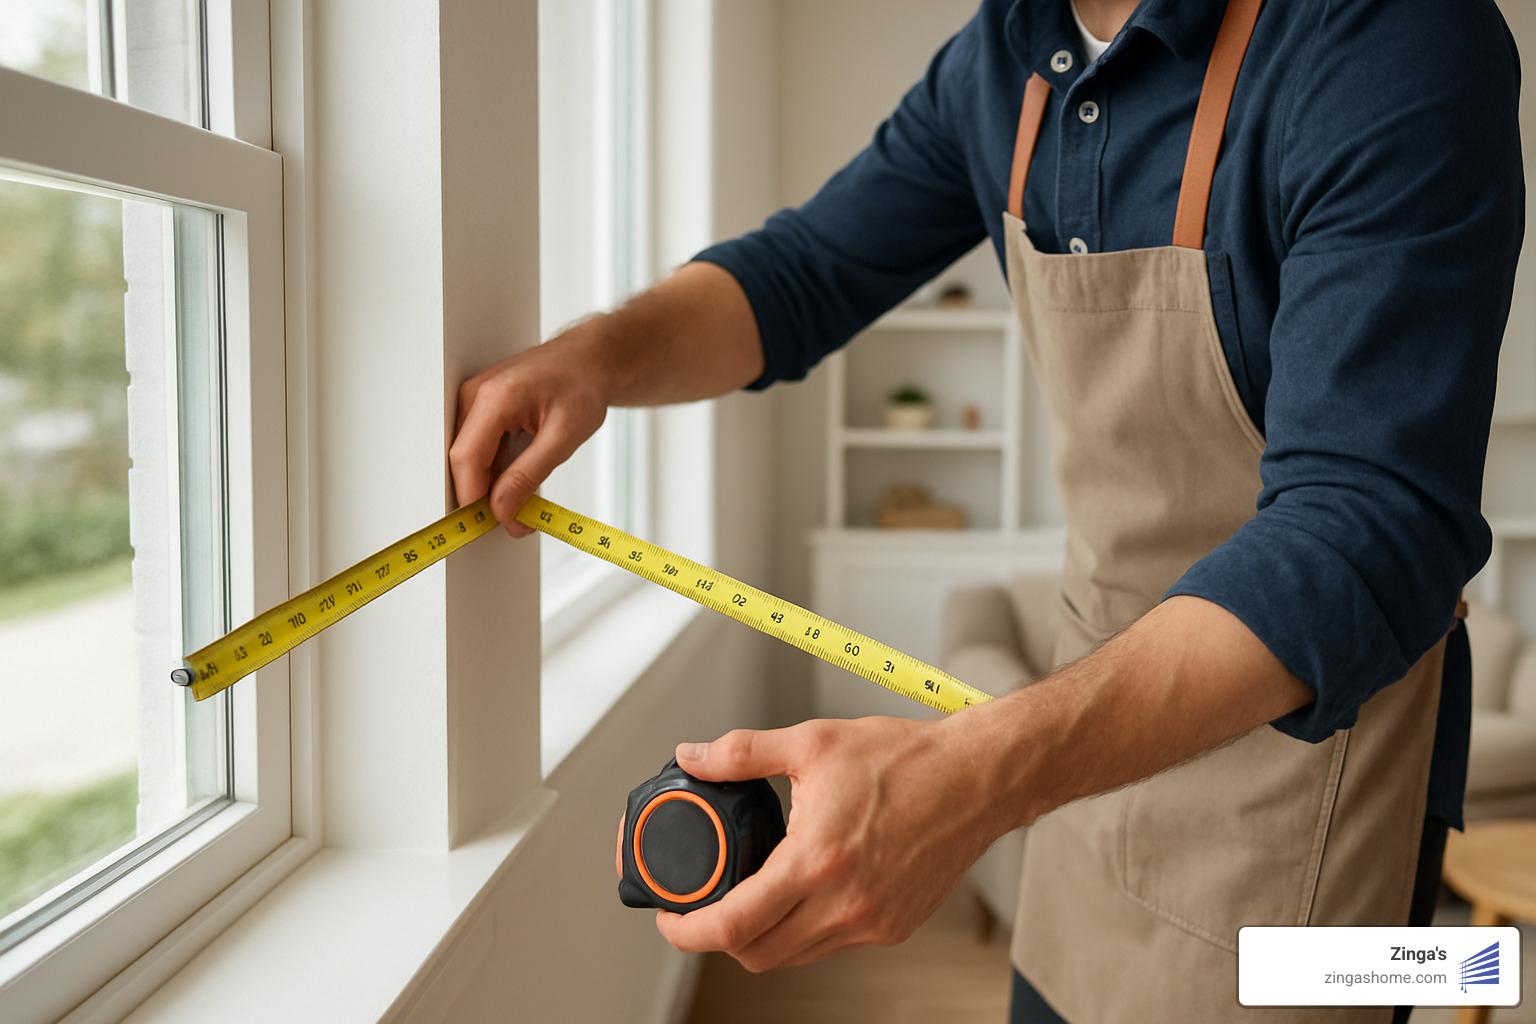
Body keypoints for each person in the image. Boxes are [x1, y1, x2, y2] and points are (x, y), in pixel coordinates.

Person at [450, 1, 1523, 1019]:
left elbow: (1365, 527)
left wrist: (975, 774)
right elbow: (804, 271)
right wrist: (596, 356)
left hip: (1314, 801)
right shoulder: (1005, 56)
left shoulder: (1394, 39)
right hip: (1082, 759)